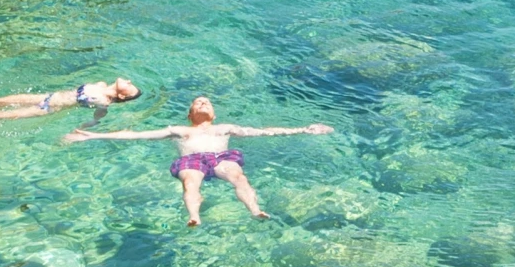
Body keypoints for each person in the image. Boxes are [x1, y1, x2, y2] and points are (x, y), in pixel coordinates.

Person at [65, 95, 333, 226]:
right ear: (189, 114)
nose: (203, 103)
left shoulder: (224, 128)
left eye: (207, 102)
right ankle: (194, 216)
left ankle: (254, 210)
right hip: (191, 160)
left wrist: (303, 129)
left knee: (238, 176)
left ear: (214, 114)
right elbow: (136, 135)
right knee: (190, 183)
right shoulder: (179, 130)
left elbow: (263, 132)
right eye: (198, 102)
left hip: (221, 158)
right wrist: (92, 136)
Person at [0, 77, 140, 129]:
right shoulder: (100, 84)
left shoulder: (104, 101)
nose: (129, 81)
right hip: (44, 97)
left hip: (45, 108)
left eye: (131, 87)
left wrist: (83, 129)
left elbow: (97, 118)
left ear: (122, 96)